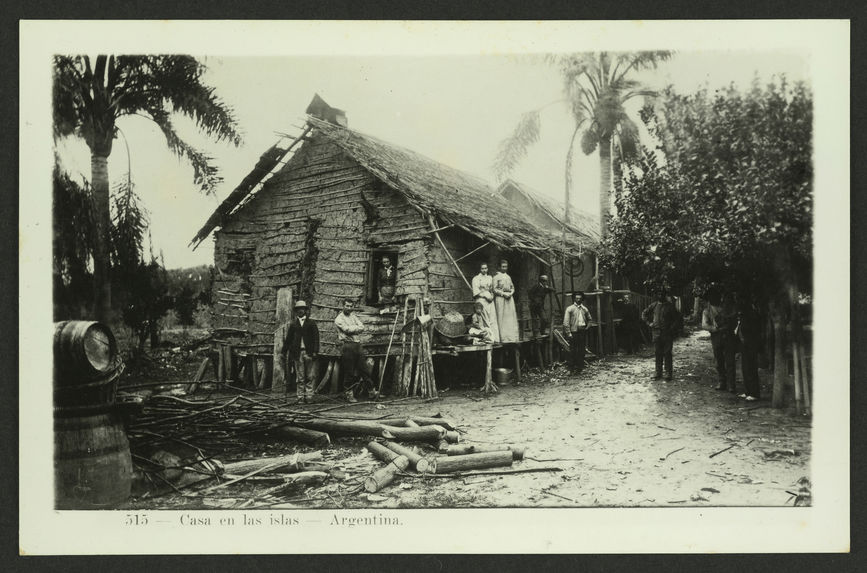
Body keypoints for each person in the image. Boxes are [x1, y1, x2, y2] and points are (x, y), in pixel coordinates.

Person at [285, 300, 320, 404]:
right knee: (300, 377)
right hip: (297, 353)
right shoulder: (293, 324)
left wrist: (315, 351)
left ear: (305, 310)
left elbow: (316, 338)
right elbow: (288, 339)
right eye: (298, 309)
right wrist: (284, 351)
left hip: (308, 353)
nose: (300, 311)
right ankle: (300, 398)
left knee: (310, 376)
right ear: (296, 311)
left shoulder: (311, 323)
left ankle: (309, 397)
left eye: (302, 309)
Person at [334, 298, 368, 402]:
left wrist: (354, 328)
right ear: (343, 306)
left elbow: (362, 327)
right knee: (349, 371)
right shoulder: (339, 319)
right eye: (347, 306)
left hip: (357, 344)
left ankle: (372, 391)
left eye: (350, 306)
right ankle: (349, 394)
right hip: (347, 345)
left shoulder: (353, 316)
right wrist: (356, 328)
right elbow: (346, 330)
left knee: (364, 369)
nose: (349, 308)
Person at [642, 288, 678, 381]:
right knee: (658, 353)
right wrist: (649, 323)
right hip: (656, 333)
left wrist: (671, 329)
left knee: (667, 353)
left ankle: (668, 373)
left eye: (662, 294)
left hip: (667, 333)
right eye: (659, 294)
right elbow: (644, 314)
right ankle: (658, 372)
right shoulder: (653, 305)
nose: (660, 296)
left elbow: (677, 319)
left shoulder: (670, 306)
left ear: (665, 295)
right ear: (657, 295)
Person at [736, 292, 762, 400]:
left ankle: (754, 393)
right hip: (745, 344)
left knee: (751, 367)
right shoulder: (743, 315)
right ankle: (748, 391)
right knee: (745, 368)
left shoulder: (752, 314)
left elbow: (753, 331)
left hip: (751, 344)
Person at [701, 290, 727, 389]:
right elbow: (704, 325)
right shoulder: (707, 311)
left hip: (727, 334)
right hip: (716, 336)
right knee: (719, 359)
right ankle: (722, 381)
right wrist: (714, 328)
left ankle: (731, 384)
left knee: (729, 359)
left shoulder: (725, 308)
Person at [716, 292, 740, 393]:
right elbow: (717, 320)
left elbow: (734, 323)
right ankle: (722, 382)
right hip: (720, 337)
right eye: (724, 299)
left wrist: (725, 325)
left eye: (727, 299)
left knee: (730, 362)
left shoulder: (734, 311)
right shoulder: (721, 311)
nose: (725, 302)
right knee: (719, 361)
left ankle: (731, 385)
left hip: (730, 338)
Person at [563, 292, 592, 373]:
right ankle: (572, 368)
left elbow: (590, 319)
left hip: (582, 331)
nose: (578, 300)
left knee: (582, 350)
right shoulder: (570, 308)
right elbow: (566, 322)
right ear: (574, 299)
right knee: (573, 350)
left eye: (580, 298)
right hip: (574, 331)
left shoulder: (584, 309)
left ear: (582, 299)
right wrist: (568, 333)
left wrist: (587, 328)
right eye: (577, 298)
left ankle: (580, 368)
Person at [471, 262, 500, 343]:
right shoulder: (476, 278)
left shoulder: (490, 278)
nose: (484, 270)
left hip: (490, 301)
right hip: (481, 299)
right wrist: (484, 296)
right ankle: (487, 338)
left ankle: (494, 338)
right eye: (482, 268)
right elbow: (476, 291)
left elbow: (492, 289)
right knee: (484, 319)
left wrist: (491, 296)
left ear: (487, 269)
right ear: (480, 269)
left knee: (492, 319)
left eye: (486, 268)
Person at [493, 259, 519, 343]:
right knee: (501, 317)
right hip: (500, 299)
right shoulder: (496, 277)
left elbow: (512, 287)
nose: (505, 268)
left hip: (509, 299)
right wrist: (503, 294)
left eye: (506, 267)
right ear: (499, 267)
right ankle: (503, 338)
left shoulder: (508, 277)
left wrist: (511, 293)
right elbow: (494, 289)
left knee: (509, 318)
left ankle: (510, 337)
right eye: (503, 267)